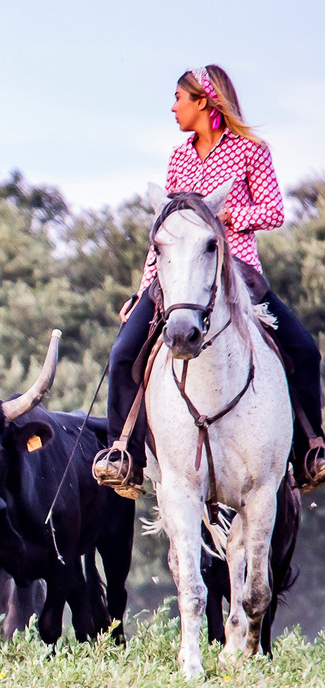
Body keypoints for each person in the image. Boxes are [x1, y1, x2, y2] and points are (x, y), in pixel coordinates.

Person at [93, 64, 325, 498]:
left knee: (305, 353)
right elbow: (166, 231)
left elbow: (274, 212)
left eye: (179, 98)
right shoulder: (179, 157)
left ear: (204, 101)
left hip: (236, 271)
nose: (173, 107)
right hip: (177, 275)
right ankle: (124, 456)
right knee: (124, 350)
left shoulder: (251, 150)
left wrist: (232, 216)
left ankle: (309, 452)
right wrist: (145, 290)